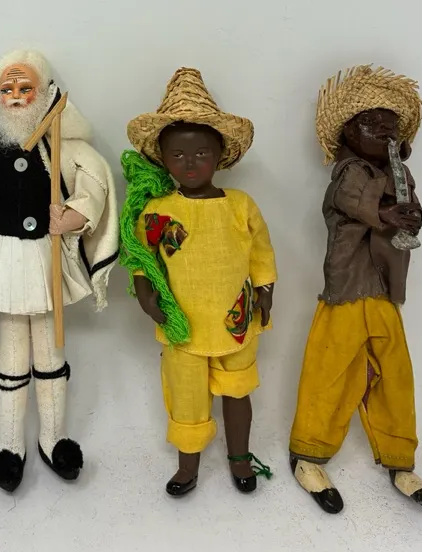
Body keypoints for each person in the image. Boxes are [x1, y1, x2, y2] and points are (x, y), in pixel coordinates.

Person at [0, 49, 119, 492]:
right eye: (7, 89)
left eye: (25, 87)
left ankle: (53, 438)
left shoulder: (64, 148)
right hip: (9, 259)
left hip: (46, 259)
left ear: (45, 92)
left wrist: (73, 216)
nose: (16, 96)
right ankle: (9, 444)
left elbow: (94, 185)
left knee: (51, 354)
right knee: (12, 355)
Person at [288, 65, 422, 513]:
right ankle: (308, 454)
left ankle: (400, 460)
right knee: (330, 371)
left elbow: (410, 209)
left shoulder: (400, 173)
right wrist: (387, 214)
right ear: (348, 134)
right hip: (346, 290)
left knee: (395, 374)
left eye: (390, 125)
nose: (383, 130)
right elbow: (349, 200)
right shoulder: (350, 171)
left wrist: (412, 215)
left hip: (383, 290)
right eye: (371, 122)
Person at [120, 67, 277, 497]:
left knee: (237, 392)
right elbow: (142, 257)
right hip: (182, 325)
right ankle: (187, 464)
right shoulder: (158, 210)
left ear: (220, 155)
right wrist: (145, 293)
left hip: (235, 320)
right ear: (163, 159)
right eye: (178, 156)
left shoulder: (240, 205)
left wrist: (265, 289)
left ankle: (240, 457)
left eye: (201, 153)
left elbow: (261, 251)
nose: (190, 164)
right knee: (186, 398)